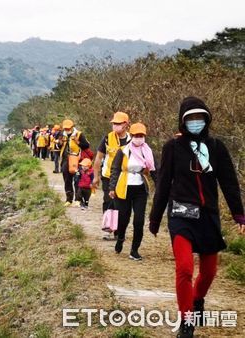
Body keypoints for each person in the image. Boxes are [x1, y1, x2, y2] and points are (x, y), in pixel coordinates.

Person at [149, 97, 245, 338]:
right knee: (184, 268)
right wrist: (155, 217)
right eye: (190, 118)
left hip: (208, 217)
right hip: (181, 215)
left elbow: (229, 183)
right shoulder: (173, 147)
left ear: (207, 119)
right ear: (182, 121)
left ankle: (197, 298)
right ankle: (186, 320)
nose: (195, 122)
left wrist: (239, 215)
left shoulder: (216, 147)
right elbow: (162, 183)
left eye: (199, 118)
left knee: (210, 271)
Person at [109, 123, 156, 261]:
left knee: (139, 220)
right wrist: (112, 188)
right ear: (132, 136)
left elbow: (153, 170)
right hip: (124, 187)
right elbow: (115, 169)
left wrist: (159, 186)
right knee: (123, 218)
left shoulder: (147, 151)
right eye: (136, 135)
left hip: (140, 188)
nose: (138, 138)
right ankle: (120, 237)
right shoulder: (123, 150)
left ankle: (134, 250)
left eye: (141, 136)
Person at [92, 112, 131, 240]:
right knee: (108, 201)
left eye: (118, 123)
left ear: (125, 124)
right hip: (108, 176)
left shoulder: (132, 140)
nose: (115, 126)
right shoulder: (108, 138)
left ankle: (119, 231)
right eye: (114, 123)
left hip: (124, 178)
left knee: (121, 204)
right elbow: (98, 158)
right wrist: (96, 176)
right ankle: (108, 227)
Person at [60, 119, 90, 207]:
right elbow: (58, 146)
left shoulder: (79, 134)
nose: (67, 130)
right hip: (65, 160)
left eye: (68, 128)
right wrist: (60, 143)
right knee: (67, 180)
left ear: (72, 127)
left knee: (77, 179)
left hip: (77, 160)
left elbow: (86, 146)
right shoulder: (63, 135)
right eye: (65, 128)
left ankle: (78, 199)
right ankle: (69, 199)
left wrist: (78, 142)